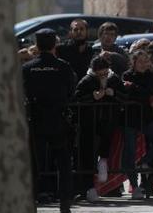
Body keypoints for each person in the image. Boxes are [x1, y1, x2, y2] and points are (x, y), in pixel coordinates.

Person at [23, 28, 75, 213]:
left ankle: (33, 200)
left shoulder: (28, 68)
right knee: (63, 163)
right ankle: (65, 203)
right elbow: (71, 89)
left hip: (35, 120)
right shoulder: (63, 66)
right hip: (58, 119)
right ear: (55, 44)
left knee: (34, 164)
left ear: (37, 45)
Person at [74, 55, 125, 201]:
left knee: (106, 148)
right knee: (87, 155)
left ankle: (104, 169)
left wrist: (113, 93)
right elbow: (77, 98)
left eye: (105, 73)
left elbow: (124, 96)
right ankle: (88, 188)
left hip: (108, 121)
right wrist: (92, 97)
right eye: (100, 74)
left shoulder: (114, 79)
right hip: (89, 123)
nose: (103, 76)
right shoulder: (86, 81)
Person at [122, 49, 153, 198]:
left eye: (146, 61)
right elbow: (127, 93)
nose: (143, 64)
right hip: (130, 118)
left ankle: (143, 161)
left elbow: (148, 92)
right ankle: (134, 185)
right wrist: (138, 91)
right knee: (130, 152)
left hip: (146, 118)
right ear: (134, 62)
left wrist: (133, 87)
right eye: (140, 61)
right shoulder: (127, 75)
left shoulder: (151, 76)